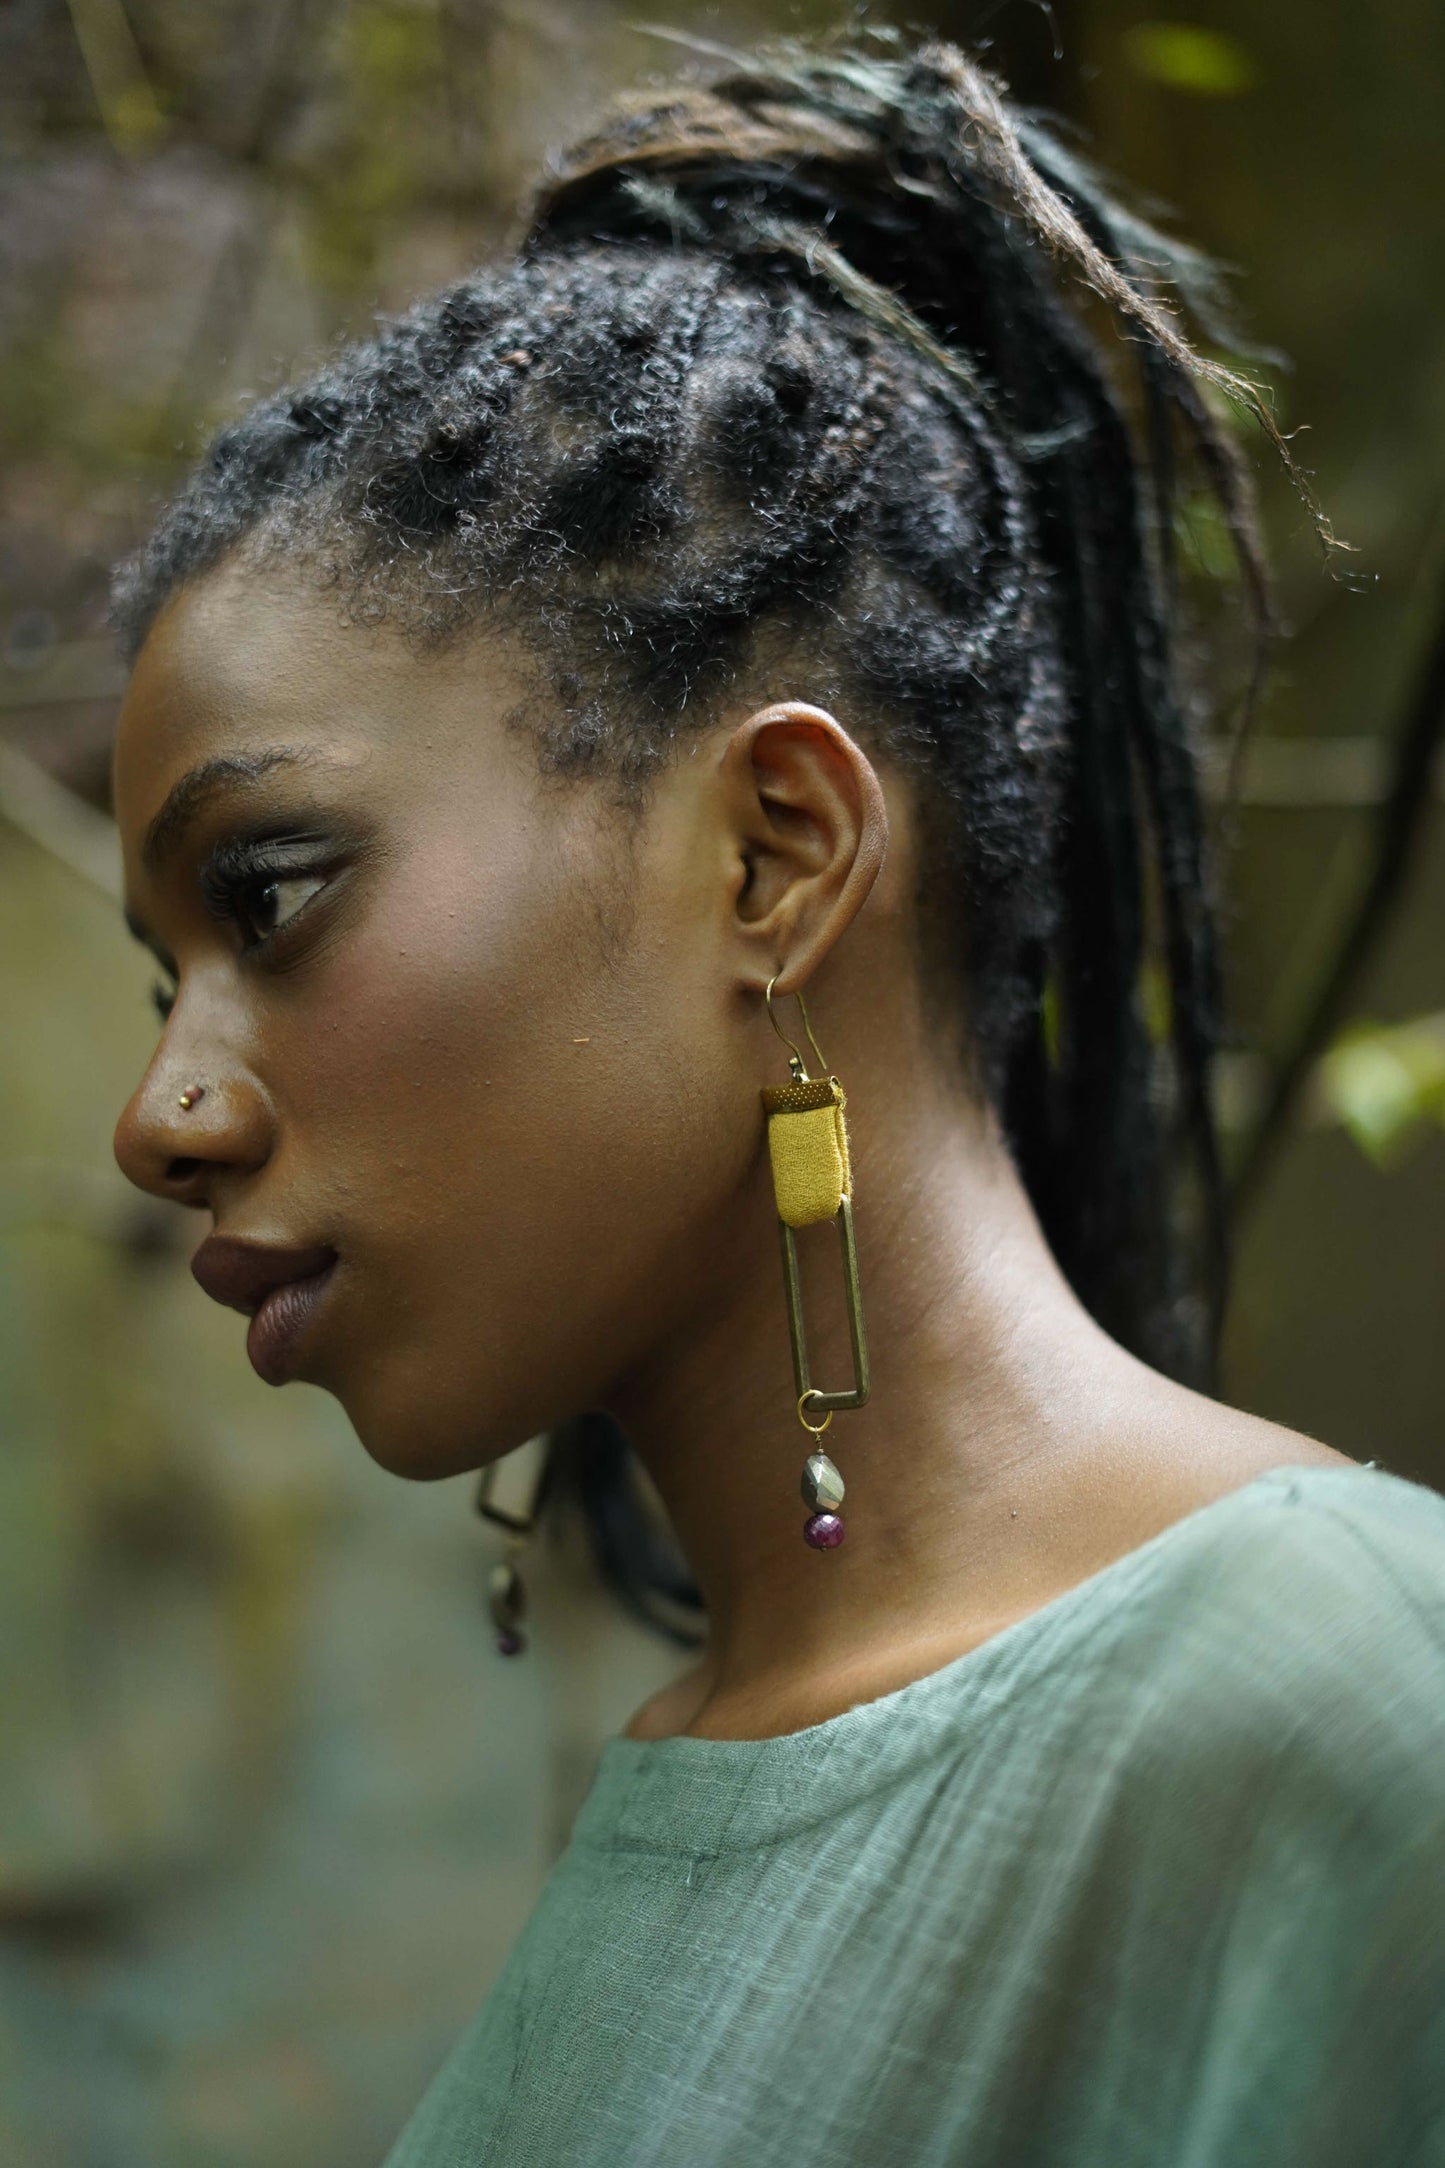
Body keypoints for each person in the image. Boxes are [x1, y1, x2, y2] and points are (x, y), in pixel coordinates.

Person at [106, 35, 1444, 2168]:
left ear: (774, 855)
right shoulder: (702, 1767)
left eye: (271, 896)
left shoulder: (1345, 1707)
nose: (160, 1114)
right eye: (159, 972)